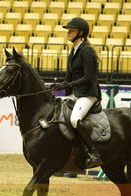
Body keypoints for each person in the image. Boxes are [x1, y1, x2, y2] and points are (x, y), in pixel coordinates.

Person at [47, 17, 103, 168]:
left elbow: (89, 77)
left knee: (74, 119)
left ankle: (94, 153)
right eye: (68, 30)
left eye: (71, 30)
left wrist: (70, 84)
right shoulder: (73, 51)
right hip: (76, 93)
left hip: (88, 94)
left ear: (81, 32)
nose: (68, 33)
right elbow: (68, 78)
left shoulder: (87, 51)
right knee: (56, 112)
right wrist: (56, 86)